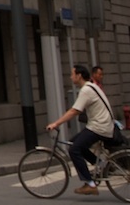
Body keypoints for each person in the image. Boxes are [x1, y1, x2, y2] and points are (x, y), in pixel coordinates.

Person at [46, 64, 123, 195]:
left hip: (99, 127)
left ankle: (90, 184)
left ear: (79, 75)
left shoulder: (86, 90)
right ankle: (102, 165)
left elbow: (75, 111)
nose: (70, 77)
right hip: (102, 125)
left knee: (74, 149)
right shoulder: (92, 86)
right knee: (74, 143)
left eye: (72, 74)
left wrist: (56, 123)